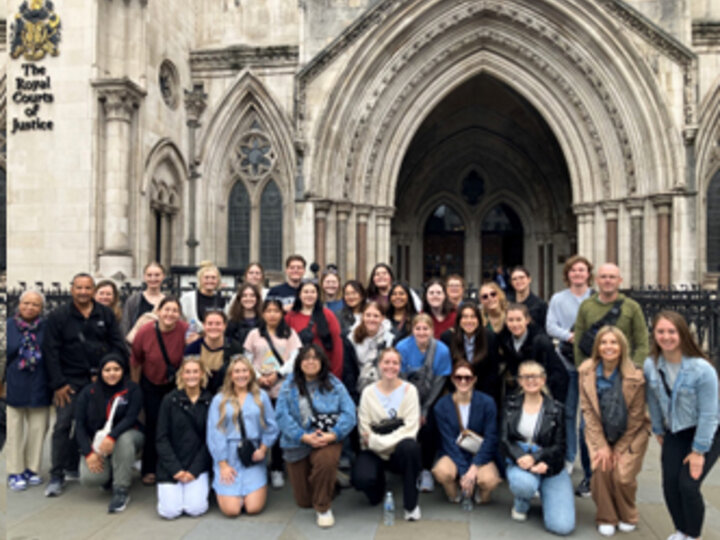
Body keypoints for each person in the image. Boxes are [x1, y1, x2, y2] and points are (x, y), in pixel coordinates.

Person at [43, 273, 127, 497]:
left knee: (101, 423)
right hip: (69, 381)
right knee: (63, 425)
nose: (83, 292)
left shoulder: (105, 314)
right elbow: (50, 351)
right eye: (79, 288)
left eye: (87, 288)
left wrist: (108, 372)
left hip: (100, 380)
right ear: (72, 289)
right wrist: (58, 384)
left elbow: (117, 345)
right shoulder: (58, 316)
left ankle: (101, 471)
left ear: (93, 290)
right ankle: (57, 474)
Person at [573, 262, 649, 497]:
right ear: (596, 280)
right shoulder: (587, 306)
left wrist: (632, 370)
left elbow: (642, 341)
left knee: (623, 426)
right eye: (604, 277)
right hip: (596, 376)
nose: (607, 281)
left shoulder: (631, 307)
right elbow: (579, 340)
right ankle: (590, 475)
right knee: (588, 428)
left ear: (620, 281)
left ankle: (619, 474)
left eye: (612, 277)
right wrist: (583, 370)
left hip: (623, 377)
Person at [644, 311, 720, 540]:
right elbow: (654, 399)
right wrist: (658, 429)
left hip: (706, 432)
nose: (666, 337)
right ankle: (682, 531)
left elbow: (710, 413)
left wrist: (698, 451)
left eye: (671, 331)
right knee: (669, 485)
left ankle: (693, 535)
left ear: (682, 334)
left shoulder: (702, 369)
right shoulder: (651, 364)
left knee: (688, 485)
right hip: (675, 430)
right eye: (661, 331)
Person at [579, 326, 650, 536]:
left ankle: (628, 514)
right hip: (599, 431)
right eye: (603, 342)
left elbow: (637, 417)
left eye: (613, 342)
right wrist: (601, 445)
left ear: (622, 346)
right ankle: (606, 515)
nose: (608, 347)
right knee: (601, 469)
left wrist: (618, 448)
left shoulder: (635, 376)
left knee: (622, 476)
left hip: (630, 433)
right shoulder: (586, 371)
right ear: (597, 347)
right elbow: (588, 411)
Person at [275, 345, 357, 528]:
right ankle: (330, 480)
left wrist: (333, 434)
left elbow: (350, 413)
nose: (310, 362)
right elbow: (281, 415)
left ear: (322, 362)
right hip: (298, 441)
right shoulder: (289, 385)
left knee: (325, 461)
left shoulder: (334, 383)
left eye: (315, 358)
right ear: (299, 363)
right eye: (306, 358)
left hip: (327, 437)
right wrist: (302, 436)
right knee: (304, 502)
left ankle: (323, 507)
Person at [501, 360, 575, 535]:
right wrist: (521, 457)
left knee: (562, 526)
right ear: (519, 381)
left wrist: (540, 461)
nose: (530, 380)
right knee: (524, 484)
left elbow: (560, 446)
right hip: (520, 458)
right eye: (525, 376)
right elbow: (504, 439)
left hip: (548, 463)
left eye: (535, 376)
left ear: (543, 380)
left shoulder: (557, 409)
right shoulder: (510, 405)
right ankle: (522, 501)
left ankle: (546, 491)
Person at [353, 348, 422, 521]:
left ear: (400, 366)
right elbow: (364, 428)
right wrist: (375, 443)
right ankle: (379, 485)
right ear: (379, 365)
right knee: (361, 480)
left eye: (395, 363)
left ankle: (411, 506)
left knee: (411, 447)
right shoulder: (368, 393)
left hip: (398, 451)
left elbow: (410, 429)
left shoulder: (410, 391)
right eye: (386, 362)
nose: (390, 367)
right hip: (374, 452)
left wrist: (377, 441)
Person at [206, 356, 279, 517]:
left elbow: (271, 425)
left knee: (253, 508)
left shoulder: (261, 396)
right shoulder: (219, 399)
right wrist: (223, 464)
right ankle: (231, 493)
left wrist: (263, 448)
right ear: (230, 375)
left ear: (251, 374)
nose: (241, 375)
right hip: (228, 453)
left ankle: (250, 490)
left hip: (252, 454)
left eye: (245, 371)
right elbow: (214, 432)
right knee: (232, 511)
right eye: (237, 371)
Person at [243, 298, 302, 488]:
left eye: (276, 311)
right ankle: (257, 464)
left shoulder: (289, 333)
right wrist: (259, 376)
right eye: (268, 311)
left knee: (277, 428)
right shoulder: (254, 334)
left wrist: (278, 374)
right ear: (262, 313)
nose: (272, 314)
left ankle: (277, 467)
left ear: (282, 313)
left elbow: (295, 358)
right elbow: (248, 359)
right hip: (258, 388)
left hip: (281, 387)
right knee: (258, 427)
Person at [75, 352, 144, 513]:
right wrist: (88, 453)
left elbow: (131, 418)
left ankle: (121, 489)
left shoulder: (132, 390)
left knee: (124, 440)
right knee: (90, 479)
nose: (112, 373)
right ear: (100, 372)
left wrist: (112, 436)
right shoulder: (88, 392)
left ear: (123, 370)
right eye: (107, 370)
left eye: (116, 369)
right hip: (99, 440)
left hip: (130, 435)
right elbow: (79, 425)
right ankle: (111, 475)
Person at [131, 297, 189, 485]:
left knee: (177, 425)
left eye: (174, 311)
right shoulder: (145, 331)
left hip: (176, 384)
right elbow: (136, 360)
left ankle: (176, 466)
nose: (170, 314)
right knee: (154, 425)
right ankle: (149, 467)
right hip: (151, 383)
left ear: (179, 314)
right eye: (166, 310)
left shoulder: (185, 329)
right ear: (158, 311)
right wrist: (135, 387)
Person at [546, 254, 594, 475]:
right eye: (573, 270)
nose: (577, 274)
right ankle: (568, 457)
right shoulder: (558, 298)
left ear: (588, 274)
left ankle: (588, 465)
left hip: (592, 366)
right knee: (567, 414)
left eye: (581, 270)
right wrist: (570, 336)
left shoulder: (596, 299)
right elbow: (550, 326)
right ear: (567, 274)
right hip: (566, 363)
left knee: (588, 419)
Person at [396, 313, 452, 492]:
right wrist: (413, 411)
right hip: (405, 397)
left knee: (429, 427)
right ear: (412, 330)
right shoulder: (402, 347)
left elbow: (439, 384)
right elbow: (401, 380)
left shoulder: (442, 350)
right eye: (418, 328)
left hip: (431, 398)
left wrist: (425, 410)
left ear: (432, 330)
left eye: (425, 328)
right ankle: (407, 469)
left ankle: (426, 469)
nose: (421, 332)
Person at [432, 361, 501, 504]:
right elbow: (448, 441)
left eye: (468, 378)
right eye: (458, 377)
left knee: (490, 481)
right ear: (452, 379)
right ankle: (454, 494)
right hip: (453, 452)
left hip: (479, 452)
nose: (463, 381)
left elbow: (491, 437)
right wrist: (465, 472)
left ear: (475, 379)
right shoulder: (442, 405)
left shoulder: (487, 403)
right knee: (441, 471)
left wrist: (474, 467)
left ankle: (481, 496)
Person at [156, 356, 212, 519]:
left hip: (197, 463)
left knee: (195, 509)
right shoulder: (169, 400)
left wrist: (194, 470)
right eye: (187, 372)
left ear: (202, 374)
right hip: (172, 465)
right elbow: (161, 438)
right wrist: (176, 469)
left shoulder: (210, 401)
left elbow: (210, 441)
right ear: (181, 375)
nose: (192, 376)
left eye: (195, 371)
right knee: (170, 512)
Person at [6, 290, 51, 491]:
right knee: (14, 430)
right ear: (19, 304)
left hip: (39, 383)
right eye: (26, 303)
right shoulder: (8, 326)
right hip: (14, 383)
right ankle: (15, 470)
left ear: (41, 308)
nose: (30, 307)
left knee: (38, 429)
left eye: (35, 304)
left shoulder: (47, 328)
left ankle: (32, 469)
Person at [498, 303, 569, 404]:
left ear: (527, 320)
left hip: (541, 391)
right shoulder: (504, 340)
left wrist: (555, 402)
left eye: (519, 319)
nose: (515, 324)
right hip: (519, 390)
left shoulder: (541, 341)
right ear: (506, 321)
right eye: (511, 320)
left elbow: (558, 373)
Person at [440, 301, 500, 407]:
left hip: (484, 393)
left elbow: (493, 372)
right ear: (459, 320)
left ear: (479, 320)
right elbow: (447, 371)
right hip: (456, 391)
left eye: (473, 317)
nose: (469, 321)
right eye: (465, 317)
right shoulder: (448, 338)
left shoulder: (490, 337)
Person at [285, 281, 343, 379]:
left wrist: (335, 374)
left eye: (313, 292)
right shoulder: (290, 317)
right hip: (297, 371)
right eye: (306, 292)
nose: (309, 295)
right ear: (299, 295)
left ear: (317, 295)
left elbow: (337, 347)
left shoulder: (328, 315)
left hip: (323, 371)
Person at [184, 310, 243, 393]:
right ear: (204, 326)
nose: (213, 327)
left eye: (218, 324)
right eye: (210, 324)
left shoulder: (234, 348)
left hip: (228, 394)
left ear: (225, 326)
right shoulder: (192, 348)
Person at [349, 301, 396, 395]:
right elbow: (349, 369)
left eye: (376, 316)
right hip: (357, 387)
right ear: (362, 317)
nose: (371, 319)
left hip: (383, 387)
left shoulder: (390, 339)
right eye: (368, 315)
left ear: (382, 318)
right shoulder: (351, 338)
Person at [180, 261, 227, 339]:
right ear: (200, 280)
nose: (210, 281)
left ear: (217, 280)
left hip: (215, 340)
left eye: (213, 278)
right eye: (206, 278)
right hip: (192, 340)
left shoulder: (222, 300)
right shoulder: (187, 298)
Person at [122, 262, 166, 342]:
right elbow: (125, 326)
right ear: (144, 277)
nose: (153, 278)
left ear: (163, 276)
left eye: (157, 275)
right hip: (137, 348)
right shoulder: (133, 300)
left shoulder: (168, 301)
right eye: (149, 275)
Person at [508, 266, 548, 332]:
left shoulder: (540, 304)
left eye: (521, 277)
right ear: (512, 283)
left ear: (529, 279)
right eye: (514, 279)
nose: (518, 281)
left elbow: (545, 329)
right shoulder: (507, 302)